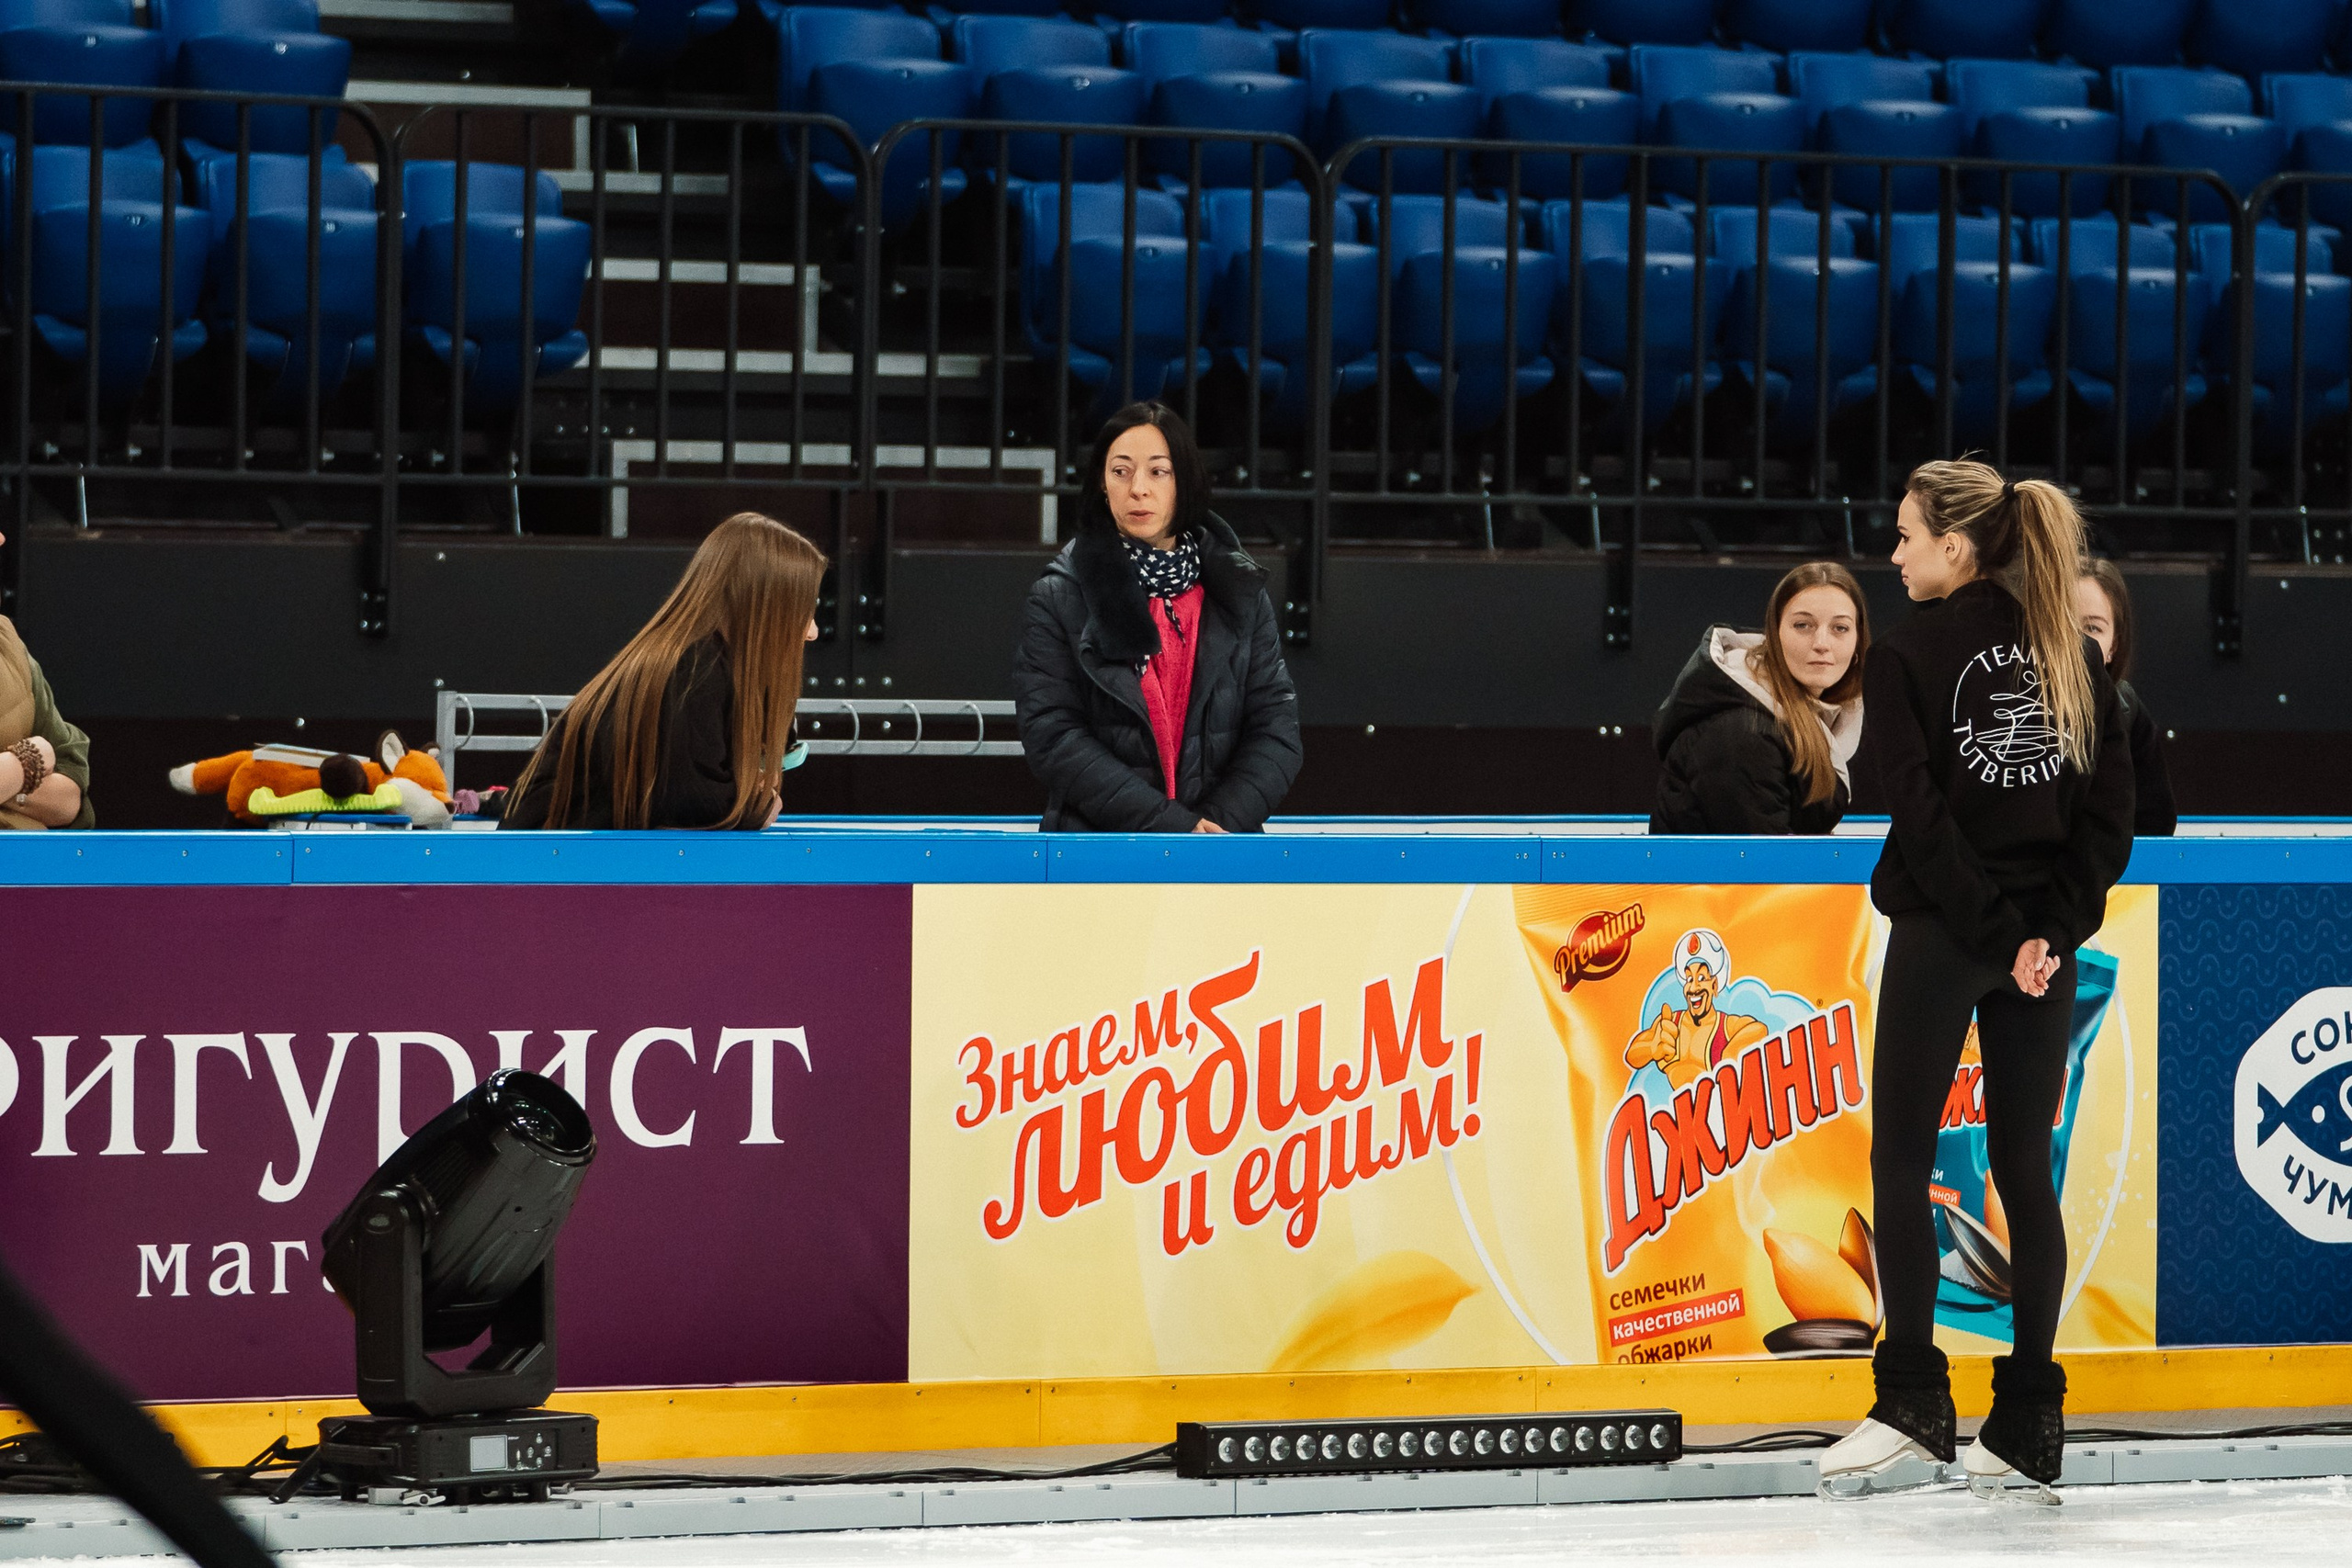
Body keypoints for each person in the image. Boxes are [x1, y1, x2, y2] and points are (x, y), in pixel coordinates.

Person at [1822, 461, 2132, 1502]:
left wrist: (1999, 936)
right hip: (2037, 947)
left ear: (1956, 546)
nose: (1895, 553)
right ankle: (2029, 1422)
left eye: (1906, 535)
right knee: (2021, 1172)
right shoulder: (2070, 652)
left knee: (1901, 1158)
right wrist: (2045, 933)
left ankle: (1913, 1398)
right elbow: (2107, 824)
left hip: (1950, 933)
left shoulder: (1909, 649)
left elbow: (1915, 812)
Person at [1012, 401, 1303, 832]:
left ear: (1183, 481)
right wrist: (1171, 827)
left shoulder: (1238, 591)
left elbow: (1276, 730)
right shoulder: (1059, 595)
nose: (1138, 489)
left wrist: (1215, 825)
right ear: (1102, 484)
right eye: (1121, 471)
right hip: (1099, 854)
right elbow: (1053, 735)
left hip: (1219, 851)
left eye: (1158, 471)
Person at [502, 513, 825, 829]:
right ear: (765, 607)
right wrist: (757, 807)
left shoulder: (694, 659)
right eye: (803, 609)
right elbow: (690, 800)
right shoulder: (693, 667)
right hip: (548, 870)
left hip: (559, 864)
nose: (812, 631)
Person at [1650, 560, 1869, 834]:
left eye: (1840, 628)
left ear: (1858, 642)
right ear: (1774, 635)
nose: (1821, 644)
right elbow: (1759, 868)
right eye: (1803, 625)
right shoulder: (1742, 731)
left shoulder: (1804, 720)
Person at [2075, 558, 2177, 837]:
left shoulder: (2128, 710)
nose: (2078, 642)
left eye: (2092, 628)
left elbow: (2155, 824)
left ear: (2114, 646)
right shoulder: (2011, 704)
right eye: (2063, 624)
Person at [0, 529, 93, 829]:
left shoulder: (7, 641)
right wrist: (24, 764)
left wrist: (8, 785)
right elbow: (42, 756)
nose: (2, 538)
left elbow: (68, 799)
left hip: (32, 868)